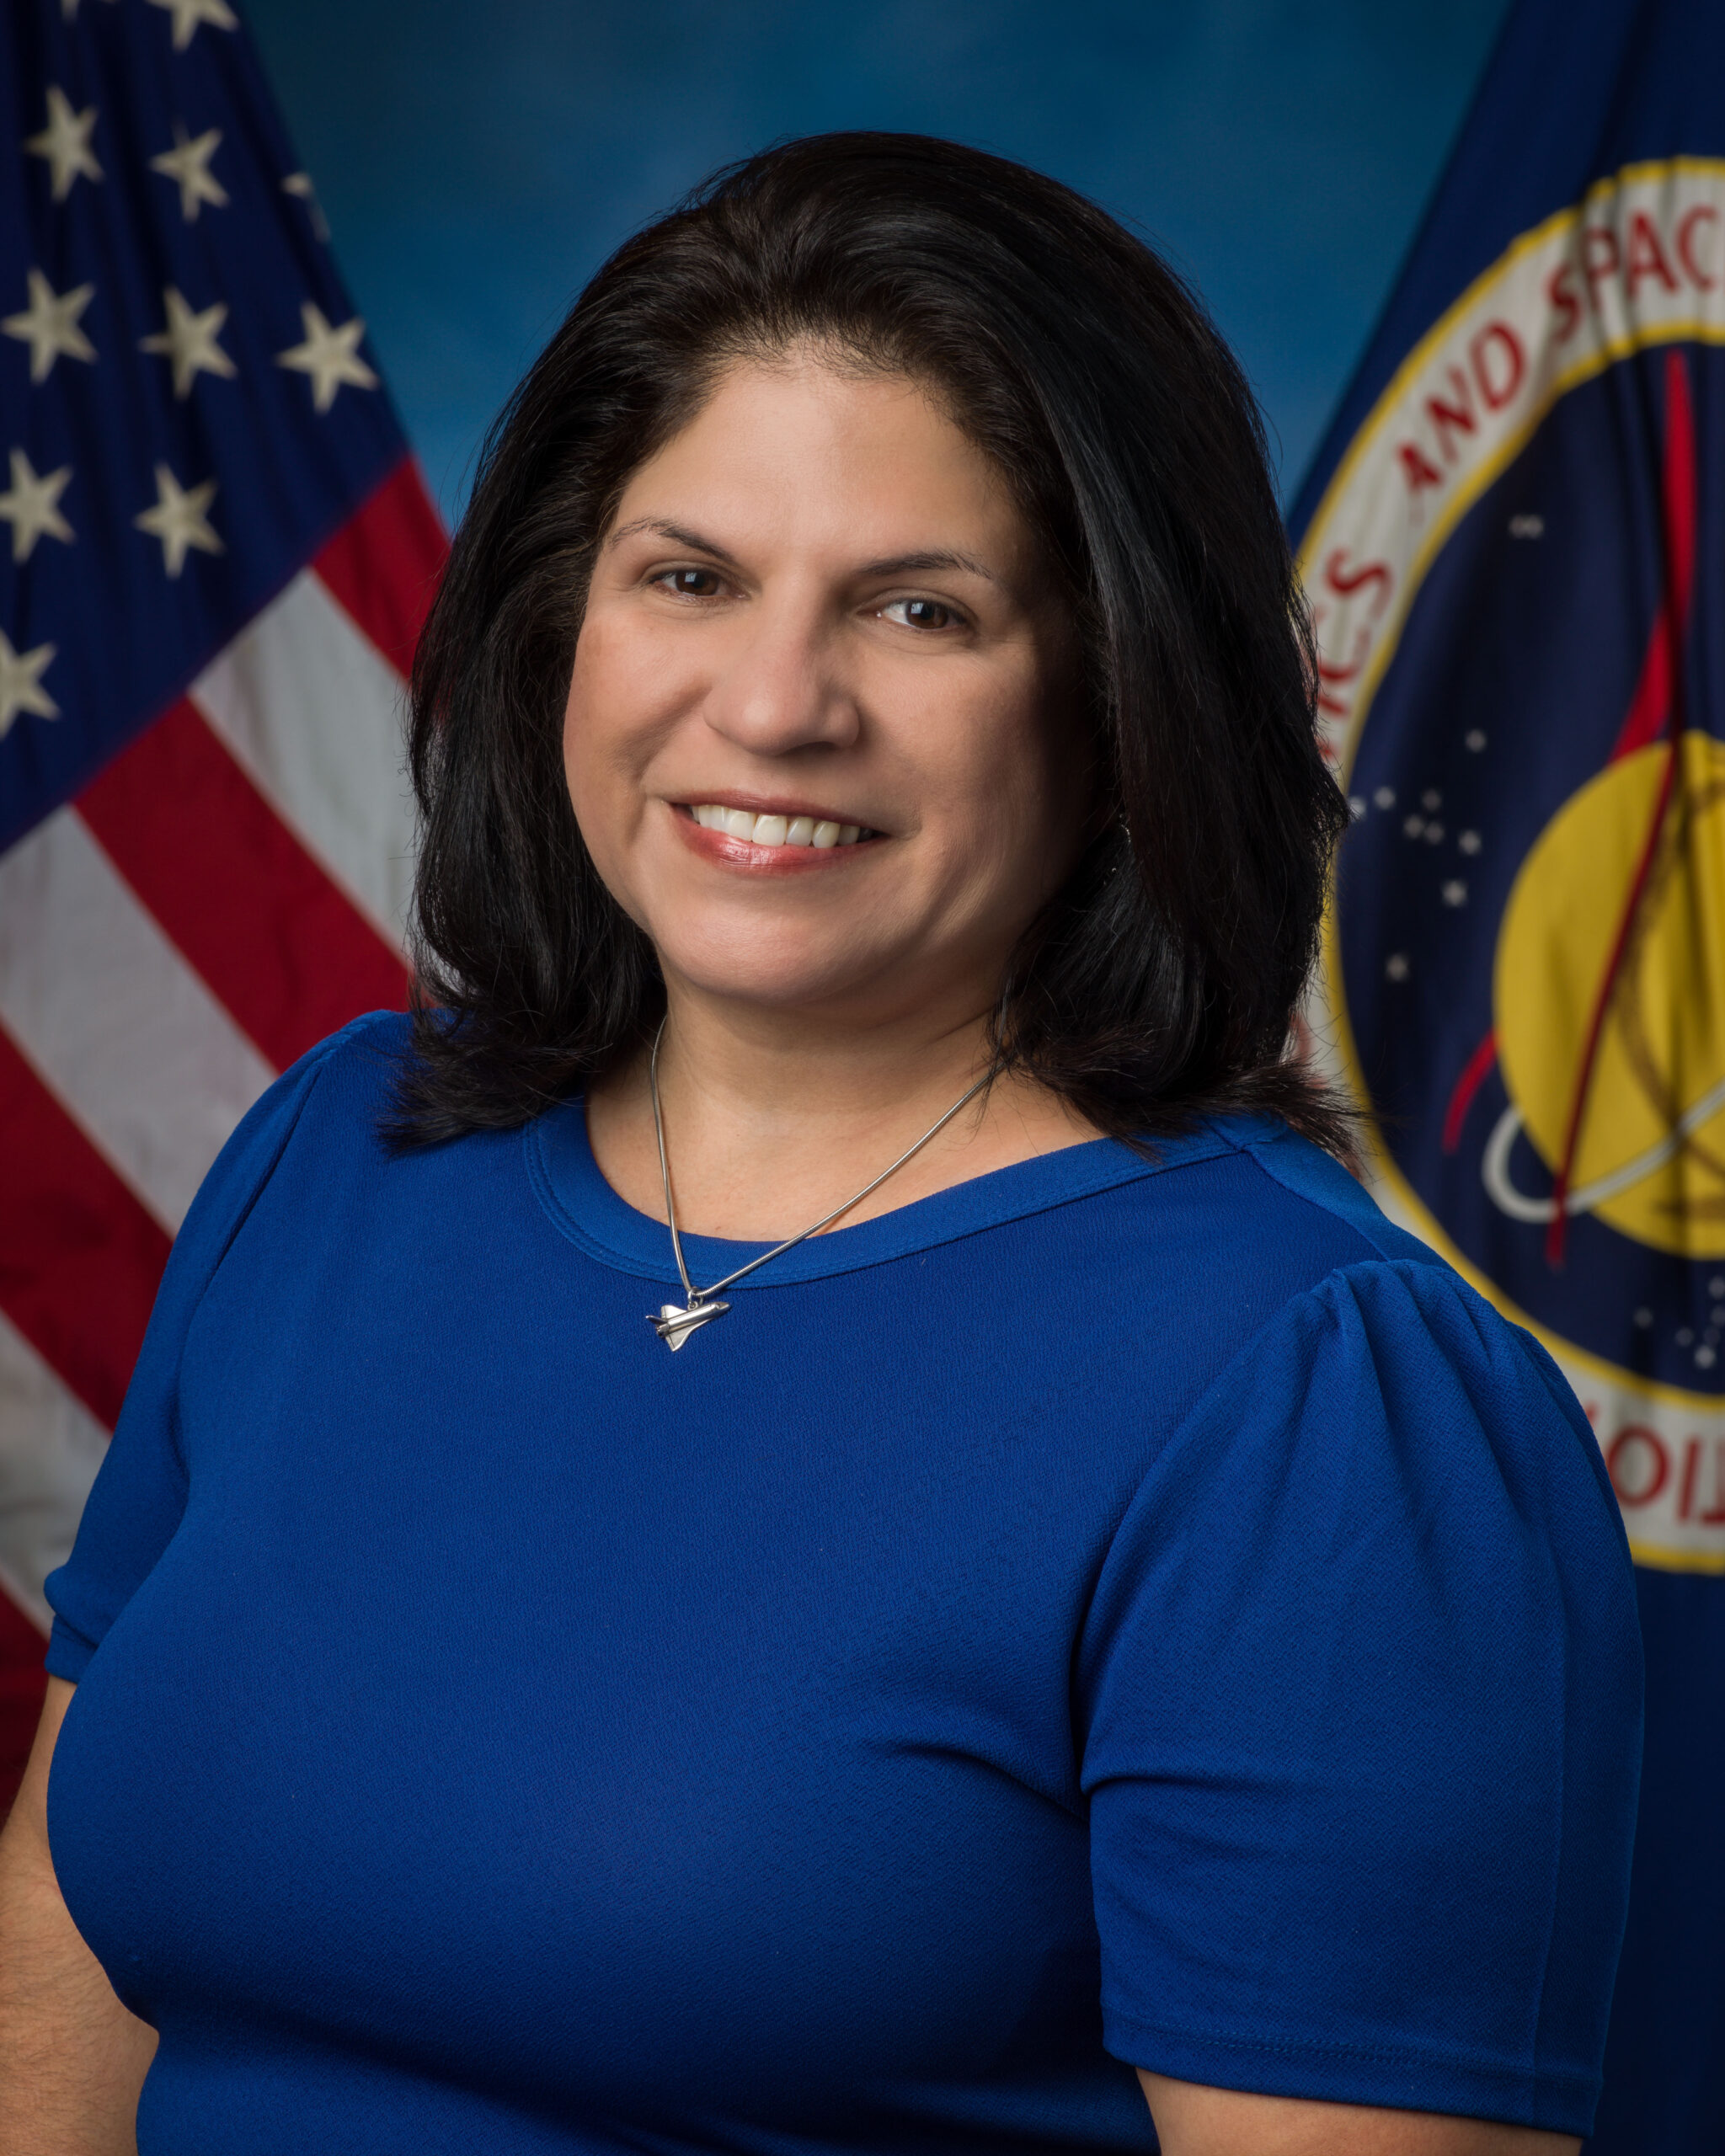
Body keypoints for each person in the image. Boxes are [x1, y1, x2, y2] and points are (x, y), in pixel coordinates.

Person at [0, 134, 1640, 2156]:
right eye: (689, 576)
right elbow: (64, 1951)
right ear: (560, 629)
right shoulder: (333, 1159)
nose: (773, 703)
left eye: (919, 610)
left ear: (1121, 712)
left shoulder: (1317, 1400)